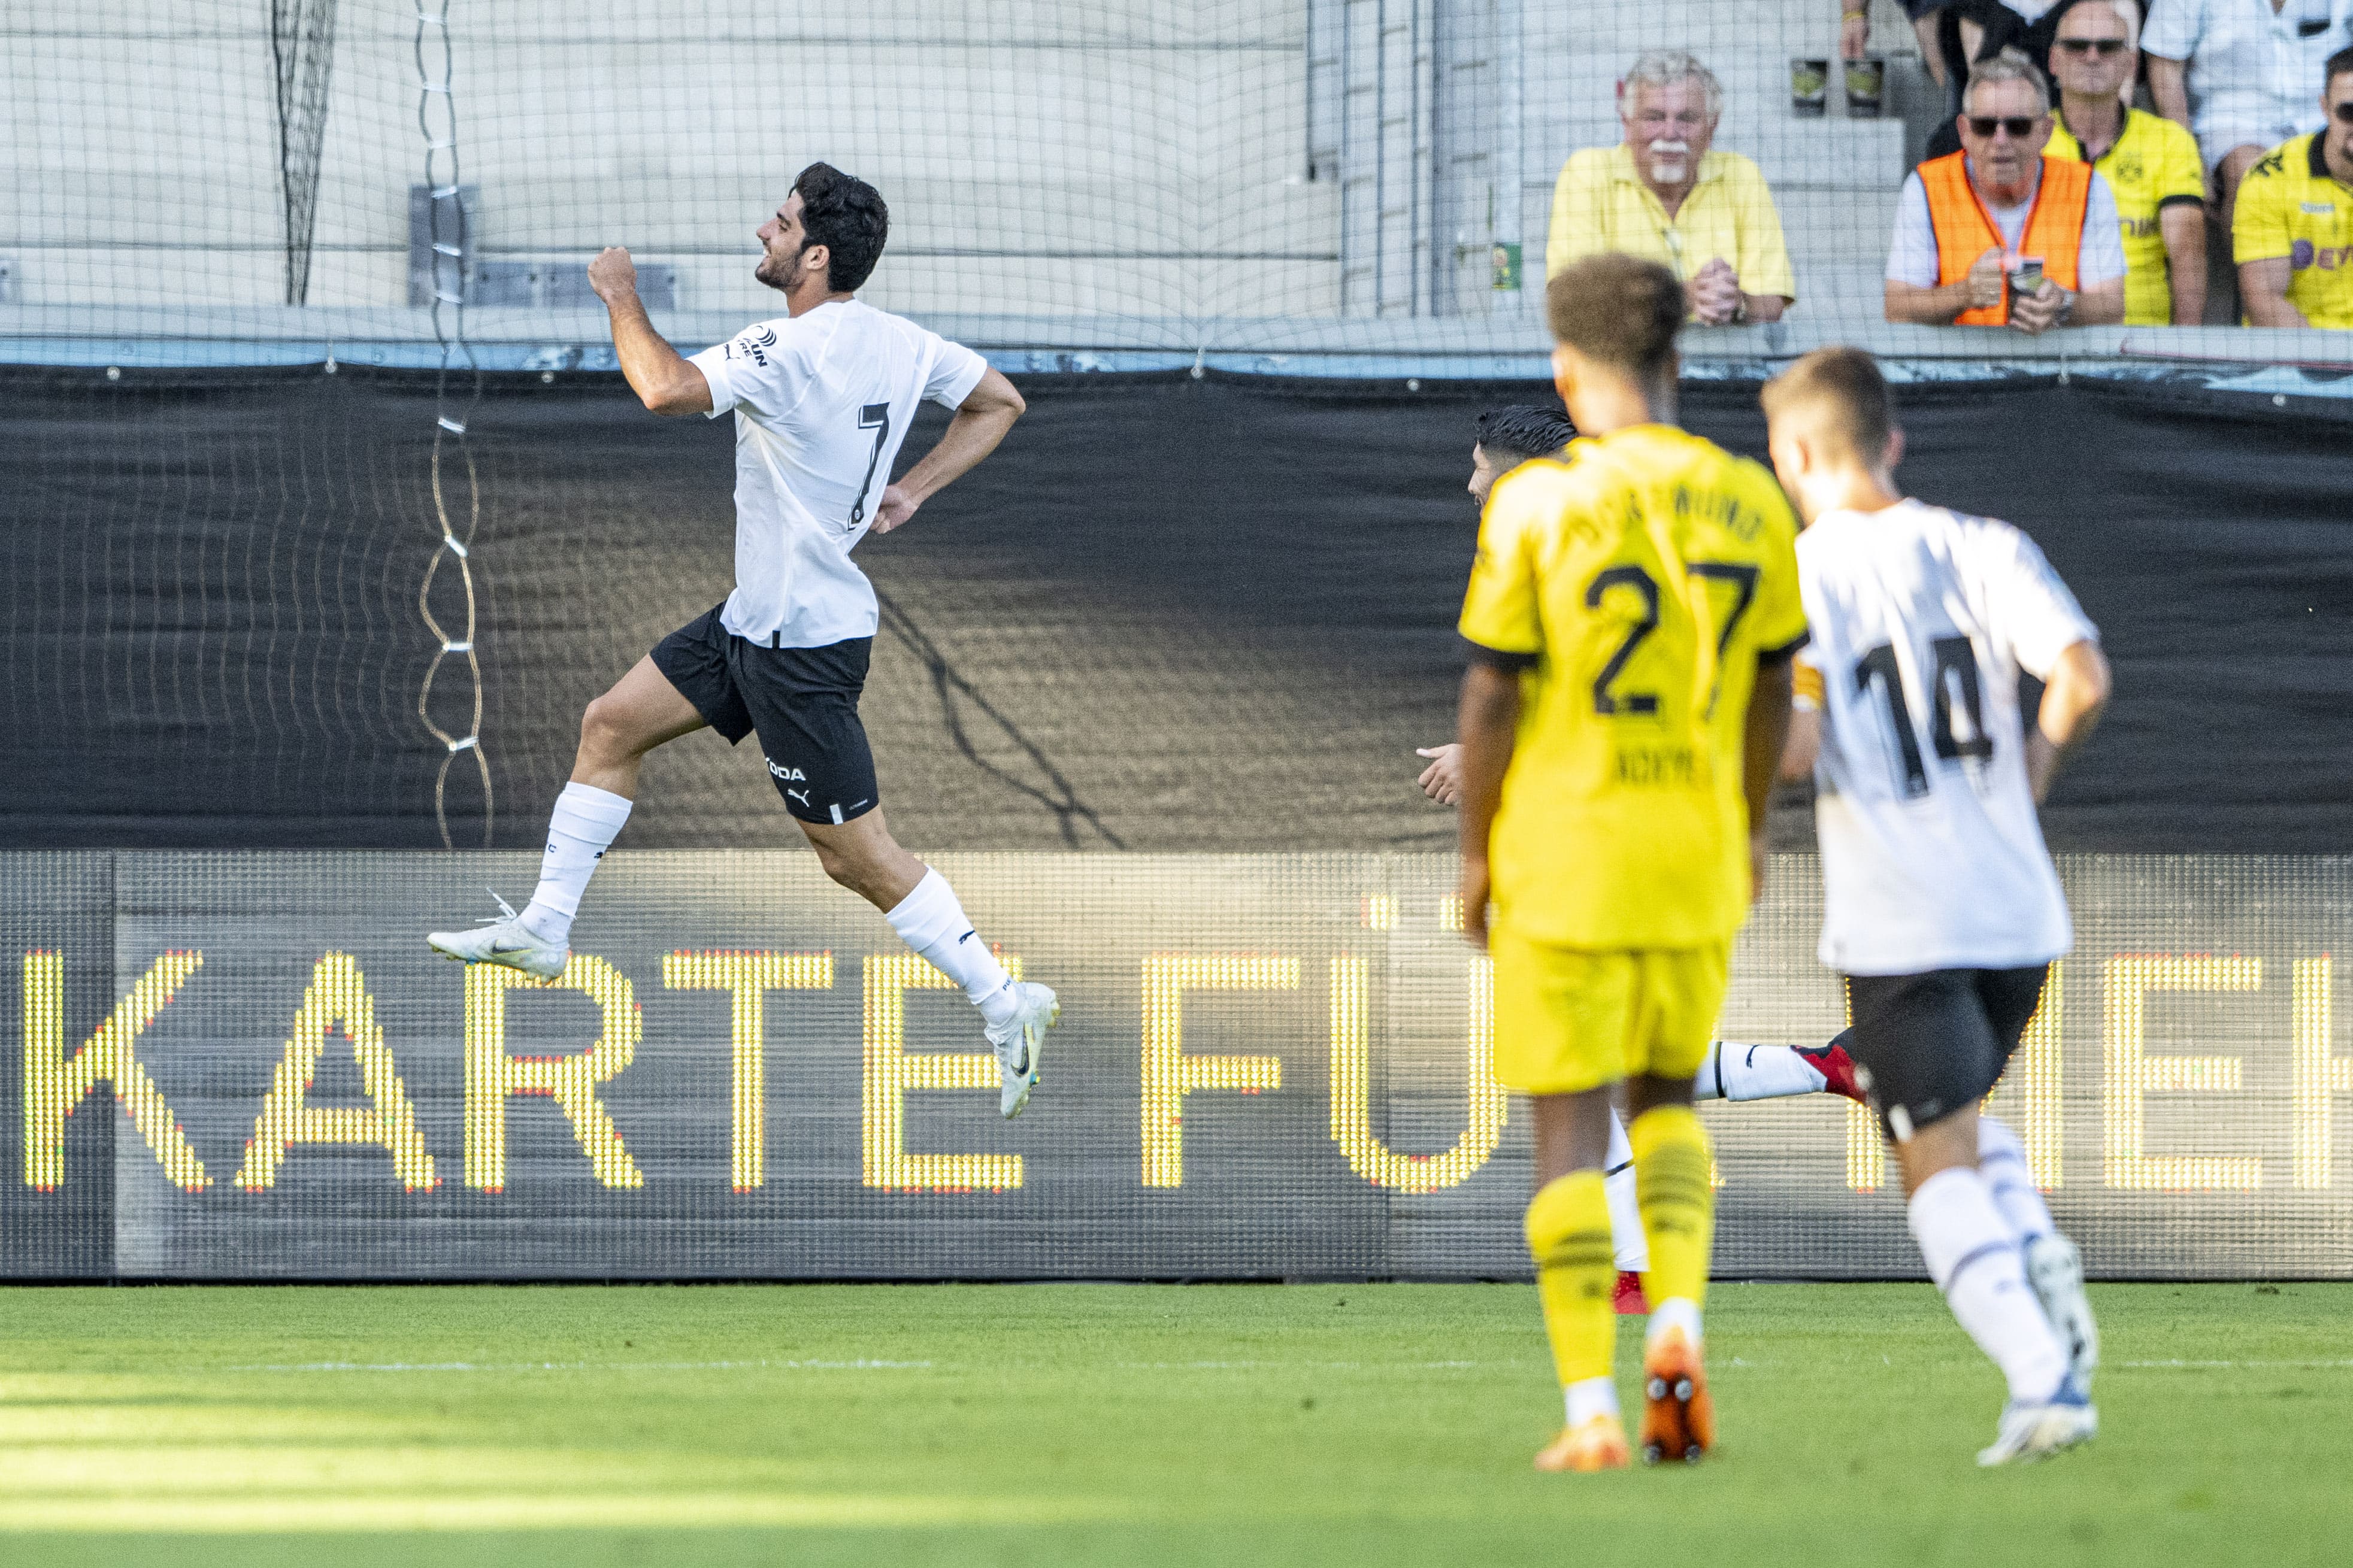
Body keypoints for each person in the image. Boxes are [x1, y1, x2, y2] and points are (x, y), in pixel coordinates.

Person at [425, 163, 1059, 1119]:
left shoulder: (788, 345)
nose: (760, 233)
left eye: (778, 223)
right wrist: (914, 489)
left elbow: (662, 386)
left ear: (814, 255)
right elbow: (999, 400)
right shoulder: (900, 339)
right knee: (610, 725)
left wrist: (620, 293)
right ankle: (547, 929)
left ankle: (1007, 1002)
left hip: (802, 647)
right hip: (749, 620)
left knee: (857, 858)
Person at [1455, 255, 1808, 1472]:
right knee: (1663, 1103)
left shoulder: (1533, 508)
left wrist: (1473, 855)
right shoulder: (1747, 496)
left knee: (1565, 1132)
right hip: (1692, 846)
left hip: (1562, 846)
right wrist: (1750, 821)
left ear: (1566, 366)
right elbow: (1770, 690)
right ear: (1673, 358)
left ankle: (1590, 1413)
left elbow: (1491, 693)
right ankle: (1674, 1330)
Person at [1761, 346, 2110, 1466]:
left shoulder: (1798, 577)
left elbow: (1797, 748)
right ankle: (2037, 1253)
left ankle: (2039, 1377)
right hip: (2016, 911)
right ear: (1890, 442)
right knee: (1951, 1122)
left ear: (1791, 454)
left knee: (1927, 1169)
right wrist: (2027, 777)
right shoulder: (1983, 544)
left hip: (1904, 916)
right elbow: (2079, 675)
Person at [1546, 51, 1796, 324]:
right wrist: (1683, 296)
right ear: (1627, 124)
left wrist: (1735, 300)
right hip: (1622, 363)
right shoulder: (1588, 173)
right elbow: (1570, 301)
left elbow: (1771, 303)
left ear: (1712, 126)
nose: (1669, 133)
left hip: (1724, 360)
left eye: (1686, 119)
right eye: (1654, 118)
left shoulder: (1741, 175)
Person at [1885, 52, 2128, 331]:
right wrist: (1963, 295)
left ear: (2045, 132)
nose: (2001, 141)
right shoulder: (1926, 186)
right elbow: (1897, 306)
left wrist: (2063, 303)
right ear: (1964, 132)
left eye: (2018, 127)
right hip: (1960, 366)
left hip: (2059, 365)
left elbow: (2112, 307)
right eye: (1985, 127)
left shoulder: (2087, 187)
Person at [2047, 0, 2211, 323]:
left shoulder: (2169, 141)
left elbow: (2187, 254)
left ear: (2131, 64)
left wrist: (2182, 352)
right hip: (2045, 336)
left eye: (2108, 48)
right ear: (2053, 60)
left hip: (2140, 343)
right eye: (2077, 46)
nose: (2093, 57)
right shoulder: (2026, 138)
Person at [2146, 0, 2353, 241]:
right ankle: (2253, 278)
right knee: (2250, 177)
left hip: (2330, 110)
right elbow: (2165, 64)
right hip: (2232, 115)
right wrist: (2187, 159)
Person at [2234, 44, 2353, 325]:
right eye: (2349, 111)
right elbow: (2264, 302)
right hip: (2301, 355)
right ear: (2324, 108)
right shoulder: (2270, 179)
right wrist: (2328, 361)